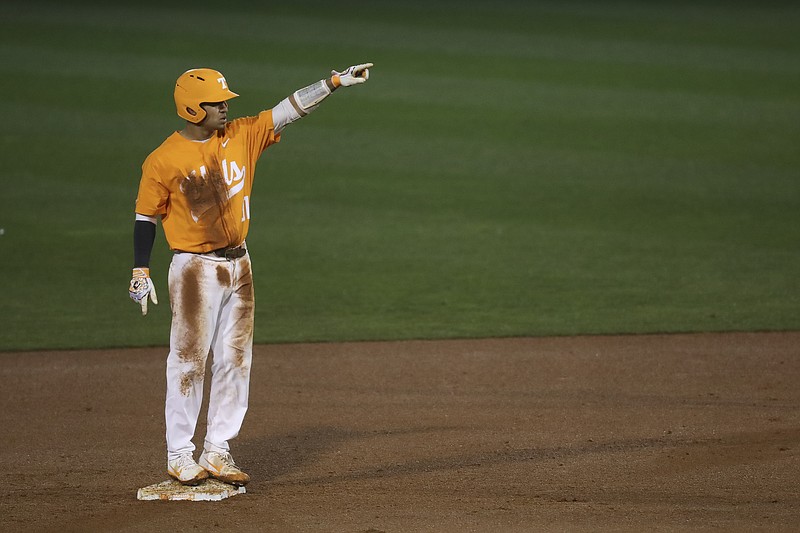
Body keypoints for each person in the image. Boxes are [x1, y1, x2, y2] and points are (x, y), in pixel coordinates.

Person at [128, 63, 373, 486]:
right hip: (194, 269)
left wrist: (333, 83)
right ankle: (180, 453)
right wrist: (140, 267)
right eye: (216, 102)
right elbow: (145, 217)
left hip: (240, 265)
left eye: (225, 101)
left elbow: (288, 110)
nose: (225, 107)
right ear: (191, 109)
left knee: (235, 359)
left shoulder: (240, 134)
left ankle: (218, 449)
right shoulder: (163, 159)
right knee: (188, 361)